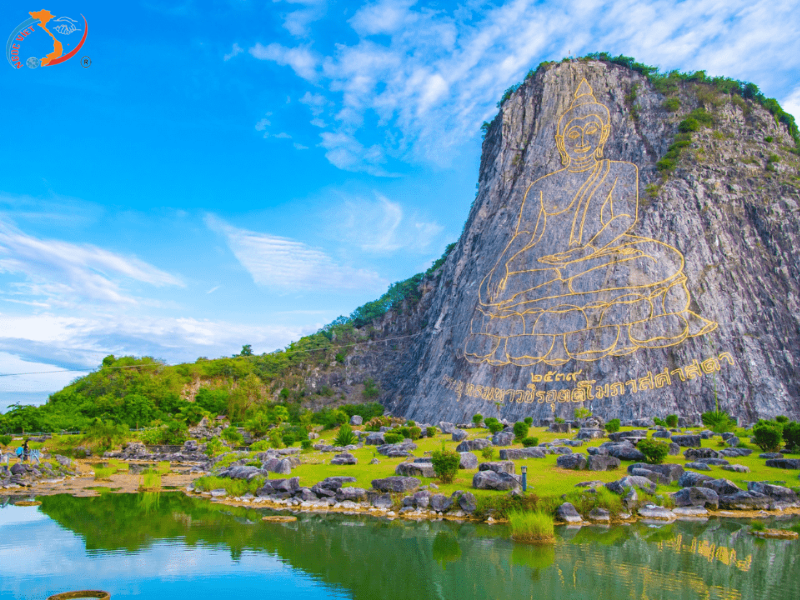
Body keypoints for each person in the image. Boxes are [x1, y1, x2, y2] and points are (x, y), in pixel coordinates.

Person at [465, 79, 716, 367]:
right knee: (506, 283)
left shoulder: (620, 171)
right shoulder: (543, 186)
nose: (582, 140)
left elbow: (623, 218)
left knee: (656, 261)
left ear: (603, 135)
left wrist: (586, 251)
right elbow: (525, 233)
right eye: (574, 133)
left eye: (591, 131)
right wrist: (501, 268)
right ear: (561, 140)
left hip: (601, 255)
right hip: (549, 263)